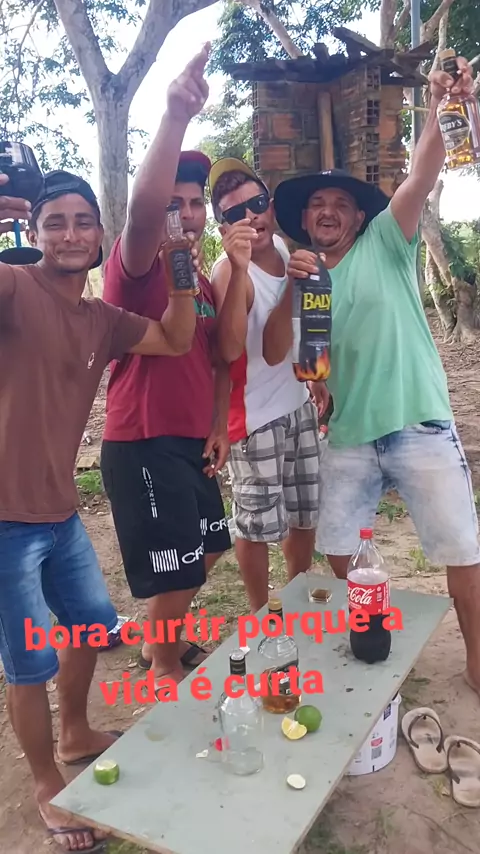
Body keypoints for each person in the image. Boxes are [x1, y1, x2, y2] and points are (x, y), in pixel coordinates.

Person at [0, 165, 197, 851]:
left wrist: (180, 272)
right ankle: (45, 783)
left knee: (87, 626)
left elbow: (175, 339)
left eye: (83, 222)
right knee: (29, 662)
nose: (71, 234)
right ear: (33, 232)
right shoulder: (14, 286)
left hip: (59, 510)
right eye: (54, 222)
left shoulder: (101, 319)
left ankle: (77, 732)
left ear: (100, 233)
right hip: (4, 519)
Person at [269, 58, 480, 696]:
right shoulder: (305, 277)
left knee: (461, 548)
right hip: (350, 433)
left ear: (359, 219)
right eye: (318, 205)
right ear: (306, 221)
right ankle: (371, 627)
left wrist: (440, 107)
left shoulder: (387, 239)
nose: (329, 211)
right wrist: (314, 372)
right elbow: (299, 357)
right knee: (338, 545)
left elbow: (421, 175)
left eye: (341, 204)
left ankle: (477, 662)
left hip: (418, 420)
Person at [101, 45, 231, 687]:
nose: (185, 211)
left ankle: (162, 644)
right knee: (176, 566)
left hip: (190, 440)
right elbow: (143, 212)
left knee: (207, 551)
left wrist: (218, 425)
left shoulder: (199, 283)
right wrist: (177, 113)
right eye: (174, 201)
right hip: (144, 441)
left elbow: (215, 360)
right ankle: (162, 667)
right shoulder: (135, 269)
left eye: (195, 201)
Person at [208, 158, 329, 613]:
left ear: (271, 206)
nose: (250, 217)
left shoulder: (280, 245)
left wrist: (315, 377)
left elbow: (300, 329)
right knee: (255, 525)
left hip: (297, 403)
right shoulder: (227, 273)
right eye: (234, 213)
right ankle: (262, 612)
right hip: (254, 417)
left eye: (257, 203)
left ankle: (297, 596)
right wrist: (245, 271)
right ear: (223, 226)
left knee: (303, 513)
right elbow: (239, 350)